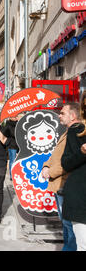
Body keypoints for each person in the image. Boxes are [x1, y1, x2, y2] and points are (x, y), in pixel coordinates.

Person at [41, 103, 80, 251]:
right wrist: (46, 165)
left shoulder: (77, 132)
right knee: (65, 222)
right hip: (60, 185)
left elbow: (71, 160)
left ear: (73, 116)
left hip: (67, 184)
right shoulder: (68, 132)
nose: (59, 115)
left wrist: (50, 172)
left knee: (70, 224)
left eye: (63, 113)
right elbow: (56, 155)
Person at [60, 102, 86, 251]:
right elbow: (65, 162)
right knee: (79, 243)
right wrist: (82, 152)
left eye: (62, 113)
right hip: (80, 198)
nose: (59, 116)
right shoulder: (77, 131)